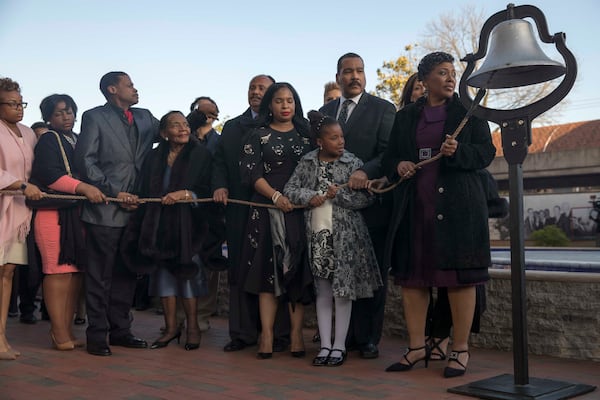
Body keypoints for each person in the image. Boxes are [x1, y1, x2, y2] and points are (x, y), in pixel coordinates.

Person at [382, 52, 495, 378]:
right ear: (425, 79)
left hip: (459, 211)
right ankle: (417, 347)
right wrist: (399, 165)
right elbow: (391, 158)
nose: (449, 78)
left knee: (460, 280)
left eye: (452, 73)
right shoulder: (405, 118)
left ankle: (459, 349)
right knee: (413, 280)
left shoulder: (469, 112)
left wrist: (459, 151)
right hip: (415, 210)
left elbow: (485, 153)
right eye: (442, 73)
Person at [284, 110, 382, 367]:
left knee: (343, 292)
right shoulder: (307, 162)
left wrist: (337, 195)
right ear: (320, 141)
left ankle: (340, 346)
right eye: (334, 137)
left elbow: (366, 198)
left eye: (341, 137)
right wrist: (311, 196)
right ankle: (325, 345)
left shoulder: (353, 163)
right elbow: (291, 190)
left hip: (346, 238)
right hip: (317, 236)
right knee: (323, 291)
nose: (341, 142)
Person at [74, 71, 159, 356]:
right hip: (105, 210)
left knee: (126, 274)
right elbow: (86, 162)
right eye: (129, 84)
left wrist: (197, 118)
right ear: (112, 89)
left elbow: (172, 130)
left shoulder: (146, 117)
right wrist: (113, 192)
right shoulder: (94, 117)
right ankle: (97, 335)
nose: (135, 89)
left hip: (138, 211)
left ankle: (121, 331)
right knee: (100, 275)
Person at [121, 111, 222, 351]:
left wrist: (186, 194)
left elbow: (209, 189)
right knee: (163, 278)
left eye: (185, 124)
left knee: (188, 277)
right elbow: (143, 186)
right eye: (175, 125)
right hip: (158, 223)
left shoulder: (201, 155)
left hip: (188, 224)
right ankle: (170, 328)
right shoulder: (153, 157)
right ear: (164, 133)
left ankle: (193, 327)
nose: (183, 129)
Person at [319, 52, 396, 359]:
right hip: (331, 211)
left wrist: (366, 171)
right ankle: (343, 338)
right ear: (338, 76)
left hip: (370, 207)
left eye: (359, 71)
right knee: (338, 274)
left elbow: (389, 151)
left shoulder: (383, 109)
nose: (354, 76)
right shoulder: (325, 113)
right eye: (348, 71)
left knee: (370, 274)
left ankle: (367, 338)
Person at [213, 74, 290, 353]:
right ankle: (242, 333)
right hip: (239, 207)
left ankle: (278, 334)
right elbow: (219, 161)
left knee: (277, 267)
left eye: (262, 88)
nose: (256, 92)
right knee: (240, 269)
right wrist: (220, 185)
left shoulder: (287, 124)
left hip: (275, 207)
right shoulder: (233, 126)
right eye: (252, 88)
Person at [239, 82, 313, 359]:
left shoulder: (308, 136)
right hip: (266, 209)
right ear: (269, 104)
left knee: (296, 272)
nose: (285, 106)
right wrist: (276, 198)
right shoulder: (256, 135)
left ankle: (296, 335)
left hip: (300, 210)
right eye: (279, 101)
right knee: (265, 273)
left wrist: (298, 198)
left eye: (290, 101)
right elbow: (251, 174)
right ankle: (267, 335)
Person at [31, 94, 106, 350]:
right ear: (48, 118)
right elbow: (49, 175)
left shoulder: (74, 140)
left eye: (70, 112)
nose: (66, 117)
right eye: (59, 113)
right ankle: (58, 331)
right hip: (53, 215)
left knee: (75, 273)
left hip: (75, 215)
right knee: (57, 271)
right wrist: (84, 187)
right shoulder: (48, 140)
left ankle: (67, 329)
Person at [0, 77, 43, 360]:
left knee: (8, 273)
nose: (19, 108)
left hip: (19, 212)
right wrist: (21, 185)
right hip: (5, 201)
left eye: (21, 103)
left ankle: (0, 336)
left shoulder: (29, 133)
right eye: (12, 104)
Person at [186, 100, 222, 332]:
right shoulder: (180, 136)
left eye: (211, 109)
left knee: (210, 264)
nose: (207, 113)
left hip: (212, 210)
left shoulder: (220, 141)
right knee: (183, 260)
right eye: (201, 109)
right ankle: (182, 316)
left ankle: (203, 315)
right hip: (183, 210)